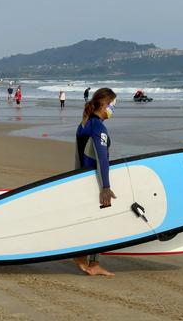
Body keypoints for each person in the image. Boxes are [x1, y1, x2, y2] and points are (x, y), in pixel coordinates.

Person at [73, 88, 117, 277]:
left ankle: (87, 259)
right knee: (101, 222)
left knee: (90, 221)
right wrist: (105, 187)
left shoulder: (84, 124)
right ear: (104, 104)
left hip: (81, 178)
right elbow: (102, 158)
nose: (113, 109)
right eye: (112, 105)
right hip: (93, 180)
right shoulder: (98, 127)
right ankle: (91, 262)